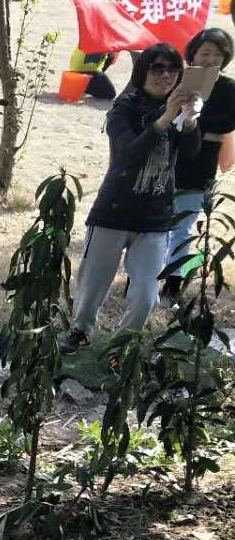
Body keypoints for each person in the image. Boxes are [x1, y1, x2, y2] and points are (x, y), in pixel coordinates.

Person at [61, 44, 200, 354]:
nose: (165, 75)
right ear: (143, 72)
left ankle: (121, 347)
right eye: (157, 68)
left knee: (147, 295)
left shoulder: (181, 108)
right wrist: (165, 117)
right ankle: (81, 332)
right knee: (92, 286)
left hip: (155, 218)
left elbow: (190, 155)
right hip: (113, 212)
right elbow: (127, 156)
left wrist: (189, 120)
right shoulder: (124, 108)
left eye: (172, 69)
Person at [166, 28, 235, 297]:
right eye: (205, 53)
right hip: (167, 163)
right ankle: (144, 278)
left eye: (217, 55)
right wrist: (204, 131)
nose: (210, 59)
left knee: (184, 226)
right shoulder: (175, 78)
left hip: (199, 168)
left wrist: (193, 124)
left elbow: (227, 123)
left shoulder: (228, 88)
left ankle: (174, 280)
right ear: (192, 53)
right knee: (156, 225)